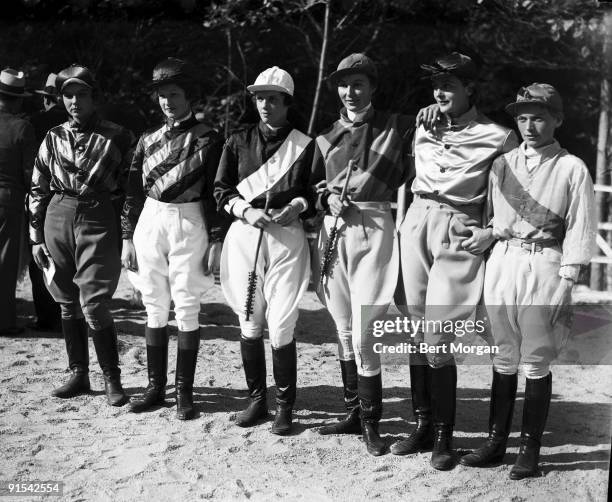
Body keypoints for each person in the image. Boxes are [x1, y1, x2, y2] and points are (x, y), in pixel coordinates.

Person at [459, 83, 596, 479]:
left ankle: (529, 449)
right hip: (504, 261)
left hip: (545, 264)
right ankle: (495, 441)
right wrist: (486, 235)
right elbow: (494, 220)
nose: (529, 125)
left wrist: (568, 277)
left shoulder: (573, 168)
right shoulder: (502, 165)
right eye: (522, 117)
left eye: (538, 116)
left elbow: (581, 226)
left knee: (536, 359)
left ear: (557, 119)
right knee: (503, 356)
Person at [392, 52, 519, 470]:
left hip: (458, 230)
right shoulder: (423, 125)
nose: (440, 92)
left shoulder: (499, 136)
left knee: (439, 334)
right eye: (436, 86)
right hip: (416, 222)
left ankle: (444, 439)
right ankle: (423, 426)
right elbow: (408, 177)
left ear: (471, 89)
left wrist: (494, 231)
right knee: (414, 329)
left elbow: (514, 196)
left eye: (449, 85)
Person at [312, 53, 415, 456]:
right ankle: (353, 413)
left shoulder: (397, 126)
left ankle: (373, 424)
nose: (350, 92)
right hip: (334, 232)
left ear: (372, 87)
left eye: (358, 84)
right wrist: (325, 203)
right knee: (342, 327)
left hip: (375, 227)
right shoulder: (324, 137)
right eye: (343, 84)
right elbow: (313, 191)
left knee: (367, 327)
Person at [122, 57, 226, 420]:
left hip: (190, 220)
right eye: (162, 95)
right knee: (153, 303)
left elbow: (216, 192)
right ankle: (154, 387)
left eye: (175, 94)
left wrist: (216, 239)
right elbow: (133, 192)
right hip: (151, 220)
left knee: (186, 305)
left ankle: (184, 392)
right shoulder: (146, 140)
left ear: (189, 96)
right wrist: (126, 237)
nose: (168, 101)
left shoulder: (209, 138)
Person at [214, 66, 315, 435]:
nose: (265, 105)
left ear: (287, 103)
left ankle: (285, 407)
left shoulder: (307, 145)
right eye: (260, 98)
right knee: (249, 319)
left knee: (282, 321)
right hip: (246, 236)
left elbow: (315, 192)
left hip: (287, 237)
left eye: (273, 98)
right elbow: (221, 190)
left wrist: (299, 206)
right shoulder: (237, 141)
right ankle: (257, 399)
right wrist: (246, 210)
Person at [29, 64, 134, 406]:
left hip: (98, 215)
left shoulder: (117, 136)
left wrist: (128, 231)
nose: (75, 101)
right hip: (57, 214)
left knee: (94, 301)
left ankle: (111, 377)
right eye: (68, 95)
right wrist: (35, 237)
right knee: (65, 299)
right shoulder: (53, 136)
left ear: (94, 96)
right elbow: (38, 186)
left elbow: (133, 190)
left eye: (82, 94)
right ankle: (78, 373)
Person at [27, 72, 65, 332]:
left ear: (48, 98)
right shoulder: (80, 122)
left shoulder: (34, 123)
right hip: (70, 199)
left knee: (39, 258)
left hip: (42, 194)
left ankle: (46, 316)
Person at [0, 68, 36, 336]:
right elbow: (29, 172)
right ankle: (4, 321)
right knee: (5, 261)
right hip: (7, 198)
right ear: (17, 99)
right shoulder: (22, 127)